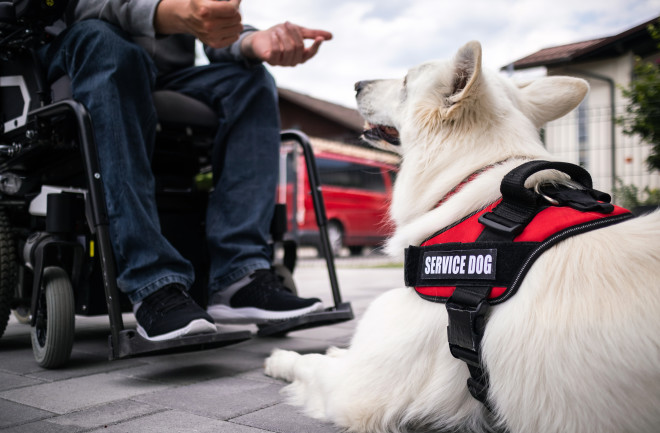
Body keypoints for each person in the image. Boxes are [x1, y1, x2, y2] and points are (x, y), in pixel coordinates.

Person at [39, 0, 333, 341]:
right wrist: (166, 14)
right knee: (105, 43)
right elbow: (84, 9)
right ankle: (152, 283)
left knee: (250, 80)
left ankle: (238, 277)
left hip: (164, 77)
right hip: (83, 56)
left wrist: (251, 41)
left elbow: (214, 30)